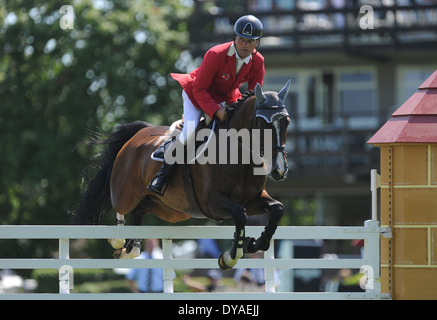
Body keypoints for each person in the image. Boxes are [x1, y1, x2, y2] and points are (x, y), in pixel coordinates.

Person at [148, 15, 265, 195]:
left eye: (250, 41)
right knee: (190, 131)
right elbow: (200, 89)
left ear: (257, 43)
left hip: (227, 96)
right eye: (242, 40)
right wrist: (216, 110)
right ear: (235, 38)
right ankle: (162, 175)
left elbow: (253, 95)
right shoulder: (216, 54)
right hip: (196, 93)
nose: (245, 45)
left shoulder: (258, 62)